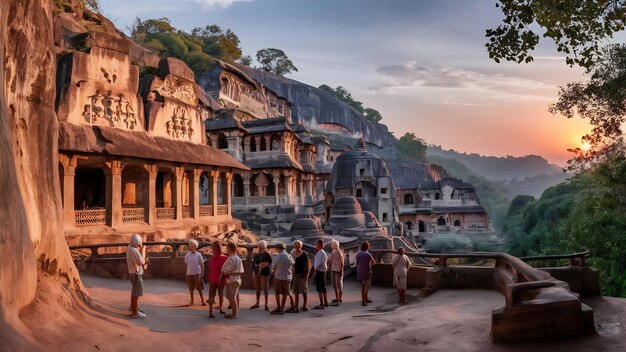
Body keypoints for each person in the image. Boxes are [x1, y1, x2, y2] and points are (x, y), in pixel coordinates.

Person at [126, 233, 149, 319]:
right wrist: (145, 260)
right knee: (136, 293)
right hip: (136, 273)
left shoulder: (129, 247)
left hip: (131, 272)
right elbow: (141, 261)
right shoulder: (134, 250)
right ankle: (135, 313)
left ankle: (133, 307)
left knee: (134, 291)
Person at [221, 242, 244, 319]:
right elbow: (241, 271)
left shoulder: (232, 258)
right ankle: (234, 312)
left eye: (227, 248)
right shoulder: (237, 258)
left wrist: (225, 272)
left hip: (232, 280)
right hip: (236, 279)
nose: (226, 250)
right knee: (233, 297)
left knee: (232, 298)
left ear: (230, 249)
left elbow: (229, 269)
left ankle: (234, 314)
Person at [270, 242, 294, 315]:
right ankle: (282, 308)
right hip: (287, 277)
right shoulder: (289, 256)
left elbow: (273, 267)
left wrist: (274, 271)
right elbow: (293, 266)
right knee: (285, 293)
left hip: (279, 277)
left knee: (277, 292)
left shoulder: (278, 256)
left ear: (278, 249)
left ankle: (278, 307)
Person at [250, 240, 272, 311]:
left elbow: (270, 264)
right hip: (256, 272)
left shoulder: (267, 255)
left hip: (264, 273)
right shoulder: (256, 254)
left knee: (265, 288)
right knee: (257, 288)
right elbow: (254, 264)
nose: (258, 248)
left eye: (259, 246)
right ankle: (257, 303)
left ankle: (266, 303)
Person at [208, 241, 227, 318]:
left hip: (221, 279)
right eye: (212, 247)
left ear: (218, 248)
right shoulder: (212, 258)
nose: (213, 249)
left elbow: (226, 270)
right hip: (213, 278)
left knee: (220, 295)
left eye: (214, 247)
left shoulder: (225, 258)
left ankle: (221, 308)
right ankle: (210, 311)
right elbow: (210, 269)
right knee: (211, 295)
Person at [290, 240, 310, 312]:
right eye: (295, 246)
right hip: (295, 275)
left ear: (300, 246)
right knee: (296, 292)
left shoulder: (304, 254)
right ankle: (296, 306)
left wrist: (306, 276)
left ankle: (304, 306)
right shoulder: (293, 254)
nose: (296, 247)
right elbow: (292, 265)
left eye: (297, 245)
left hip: (302, 276)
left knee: (304, 291)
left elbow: (307, 266)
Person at [184, 239, 205, 306]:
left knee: (199, 288)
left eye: (193, 246)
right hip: (189, 273)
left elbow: (202, 264)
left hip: (197, 273)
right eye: (190, 246)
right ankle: (192, 301)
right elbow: (186, 265)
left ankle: (202, 300)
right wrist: (186, 273)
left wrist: (202, 273)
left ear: (196, 247)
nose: (191, 247)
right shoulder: (187, 255)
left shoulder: (198, 255)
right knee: (191, 288)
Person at [356, 241, 375, 306]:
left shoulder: (358, 254)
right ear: (368, 247)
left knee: (363, 285)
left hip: (359, 271)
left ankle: (365, 299)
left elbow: (357, 262)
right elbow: (373, 262)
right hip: (366, 272)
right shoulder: (368, 254)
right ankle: (364, 301)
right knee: (367, 285)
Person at [312, 239, 329, 309]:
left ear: (319, 245)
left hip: (320, 272)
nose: (315, 246)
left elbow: (317, 264)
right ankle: (325, 303)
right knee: (322, 287)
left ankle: (322, 303)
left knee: (320, 287)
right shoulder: (321, 252)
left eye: (316, 244)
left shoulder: (321, 253)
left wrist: (314, 272)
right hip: (321, 271)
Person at [328, 239, 344, 306]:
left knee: (337, 285)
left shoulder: (338, 252)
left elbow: (341, 263)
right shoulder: (335, 252)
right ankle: (338, 298)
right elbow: (331, 262)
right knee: (337, 285)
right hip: (335, 270)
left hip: (336, 270)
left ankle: (338, 298)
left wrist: (340, 271)